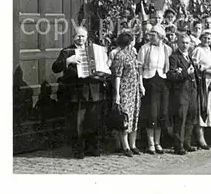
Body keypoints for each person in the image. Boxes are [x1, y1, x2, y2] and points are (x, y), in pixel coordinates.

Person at [52, 26, 107, 159]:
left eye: (83, 36)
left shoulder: (93, 50)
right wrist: (68, 61)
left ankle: (92, 148)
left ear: (86, 37)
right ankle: (79, 149)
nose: (80, 38)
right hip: (77, 91)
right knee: (78, 122)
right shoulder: (67, 51)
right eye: (78, 36)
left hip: (93, 90)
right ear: (73, 37)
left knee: (92, 120)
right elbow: (55, 68)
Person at [137, 25, 170, 154]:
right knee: (151, 113)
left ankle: (158, 142)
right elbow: (139, 68)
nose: (151, 37)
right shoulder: (144, 48)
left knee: (161, 112)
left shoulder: (167, 49)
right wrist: (141, 84)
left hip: (162, 81)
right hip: (149, 81)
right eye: (150, 34)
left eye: (153, 35)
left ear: (160, 36)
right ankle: (150, 143)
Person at [112, 32, 143, 157]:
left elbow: (137, 70)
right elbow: (117, 76)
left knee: (134, 116)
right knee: (125, 118)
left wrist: (140, 85)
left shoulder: (132, 54)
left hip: (134, 89)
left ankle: (133, 144)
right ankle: (125, 146)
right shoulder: (120, 56)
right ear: (129, 42)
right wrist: (117, 94)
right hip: (125, 90)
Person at [167, 34, 199, 155]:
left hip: (192, 91)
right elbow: (172, 75)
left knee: (190, 117)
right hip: (181, 92)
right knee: (180, 118)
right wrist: (186, 72)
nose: (185, 45)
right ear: (178, 43)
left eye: (187, 43)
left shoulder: (190, 57)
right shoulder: (174, 57)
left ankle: (187, 143)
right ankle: (178, 145)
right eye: (183, 43)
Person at [190, 29, 211, 150]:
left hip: (210, 81)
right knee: (201, 107)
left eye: (209, 38)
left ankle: (206, 135)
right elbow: (193, 66)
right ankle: (200, 137)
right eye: (204, 38)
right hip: (202, 81)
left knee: (208, 108)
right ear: (201, 38)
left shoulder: (210, 50)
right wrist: (204, 70)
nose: (207, 40)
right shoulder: (198, 50)